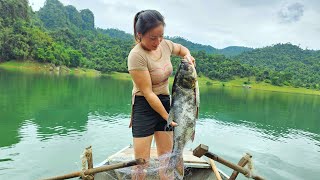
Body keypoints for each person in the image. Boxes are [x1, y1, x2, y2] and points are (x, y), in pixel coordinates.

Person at [127, 10, 195, 179]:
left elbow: (181, 49)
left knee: (166, 157)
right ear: (139, 35)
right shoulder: (136, 56)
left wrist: (188, 56)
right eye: (152, 38)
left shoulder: (165, 45)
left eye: (161, 36)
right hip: (144, 105)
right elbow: (148, 93)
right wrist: (167, 117)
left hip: (165, 102)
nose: (158, 42)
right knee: (141, 163)